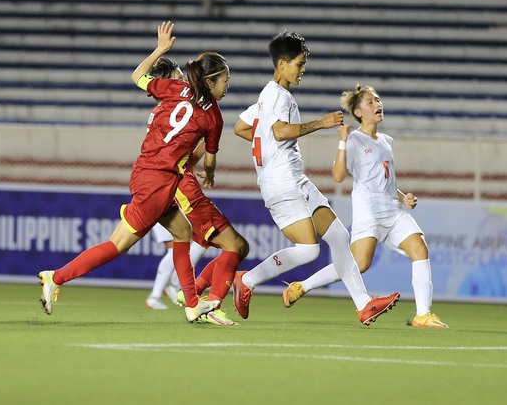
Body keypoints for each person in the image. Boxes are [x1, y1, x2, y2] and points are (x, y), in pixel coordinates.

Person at [38, 21, 228, 324]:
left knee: (183, 231)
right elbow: (209, 159)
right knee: (118, 245)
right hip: (160, 180)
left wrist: (161, 49)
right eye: (223, 81)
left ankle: (191, 303)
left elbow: (137, 76)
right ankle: (56, 277)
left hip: (145, 171)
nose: (226, 86)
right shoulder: (213, 116)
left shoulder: (174, 88)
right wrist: (209, 172)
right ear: (209, 82)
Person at [231, 30, 400, 326]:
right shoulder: (278, 96)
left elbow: (242, 128)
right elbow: (280, 132)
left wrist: (268, 148)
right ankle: (247, 279)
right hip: (281, 183)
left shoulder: (265, 98)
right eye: (299, 63)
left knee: (338, 235)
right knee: (309, 250)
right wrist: (321, 124)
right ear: (282, 64)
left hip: (295, 178)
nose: (302, 70)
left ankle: (364, 304)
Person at [281, 85, 448, 328]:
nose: (377, 105)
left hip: (393, 210)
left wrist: (403, 198)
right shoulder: (354, 139)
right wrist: (341, 142)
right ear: (358, 112)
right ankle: (302, 286)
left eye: (378, 100)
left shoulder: (387, 140)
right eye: (370, 102)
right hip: (369, 212)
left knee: (420, 249)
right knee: (359, 265)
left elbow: (386, 181)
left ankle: (423, 314)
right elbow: (338, 175)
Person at [142, 56, 249, 325]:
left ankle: (192, 295)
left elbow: (188, 154)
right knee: (231, 245)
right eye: (178, 76)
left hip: (162, 180)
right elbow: (191, 156)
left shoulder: (174, 103)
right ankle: (206, 304)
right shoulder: (191, 105)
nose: (182, 80)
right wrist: (209, 165)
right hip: (177, 184)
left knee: (198, 242)